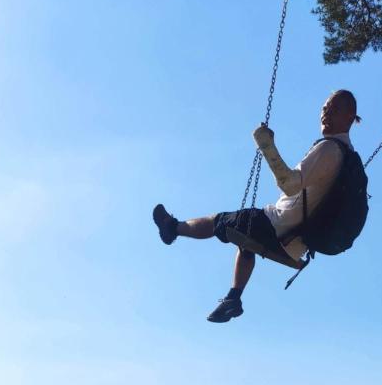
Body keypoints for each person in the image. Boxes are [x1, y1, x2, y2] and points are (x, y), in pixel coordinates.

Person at [152, 89, 361, 323]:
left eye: (334, 109)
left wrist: (266, 144)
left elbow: (289, 184)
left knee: (218, 221)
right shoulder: (347, 156)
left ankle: (172, 228)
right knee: (246, 243)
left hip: (277, 226)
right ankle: (234, 297)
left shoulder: (329, 149)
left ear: (350, 117)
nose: (325, 113)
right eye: (324, 108)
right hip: (296, 242)